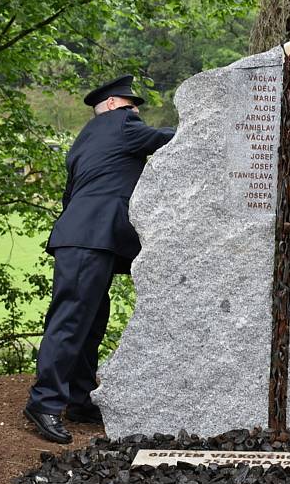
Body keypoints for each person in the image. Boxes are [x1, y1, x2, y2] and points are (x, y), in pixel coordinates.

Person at [23, 75, 176, 443]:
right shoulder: (123, 125)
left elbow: (71, 194)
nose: (135, 111)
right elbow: (170, 139)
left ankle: (78, 399)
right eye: (129, 104)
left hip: (83, 239)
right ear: (111, 106)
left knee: (90, 320)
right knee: (72, 319)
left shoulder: (84, 139)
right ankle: (44, 403)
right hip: (91, 239)